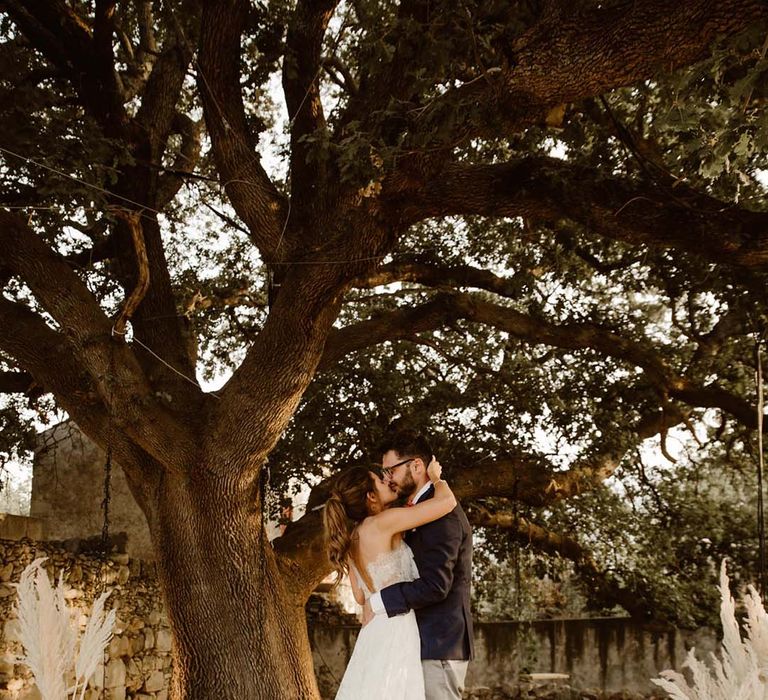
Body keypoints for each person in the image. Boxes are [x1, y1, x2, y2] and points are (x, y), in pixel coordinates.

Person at [324, 457, 456, 699]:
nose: (387, 480)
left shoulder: (352, 539)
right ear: (371, 497)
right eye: (379, 480)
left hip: (373, 631)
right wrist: (436, 478)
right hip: (398, 625)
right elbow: (447, 502)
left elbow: (360, 596)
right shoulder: (383, 522)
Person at [363, 430, 474, 700]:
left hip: (439, 645)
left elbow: (436, 586)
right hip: (416, 643)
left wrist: (378, 602)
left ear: (416, 465)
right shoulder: (418, 511)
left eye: (391, 470)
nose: (389, 478)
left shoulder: (442, 515)